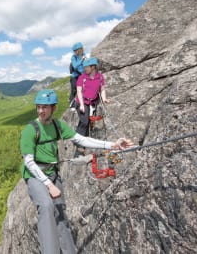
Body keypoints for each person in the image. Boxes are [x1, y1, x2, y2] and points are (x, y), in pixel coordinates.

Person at [20, 89, 133, 254]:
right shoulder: (30, 130)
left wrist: (112, 145)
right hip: (35, 175)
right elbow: (29, 161)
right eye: (38, 107)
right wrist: (49, 185)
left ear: (53, 108)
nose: (41, 111)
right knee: (46, 205)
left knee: (59, 211)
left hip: (51, 172)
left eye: (45, 107)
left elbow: (82, 140)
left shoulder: (57, 125)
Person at [75, 57, 109, 138]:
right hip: (81, 101)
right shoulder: (82, 77)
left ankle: (83, 138)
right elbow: (79, 91)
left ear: (93, 67)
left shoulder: (100, 77)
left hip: (91, 102)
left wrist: (104, 99)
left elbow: (102, 89)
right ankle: (79, 140)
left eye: (86, 67)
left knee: (86, 121)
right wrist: (82, 105)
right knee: (84, 121)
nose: (84, 69)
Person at [69, 42, 86, 110]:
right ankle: (72, 105)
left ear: (80, 49)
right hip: (74, 77)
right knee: (74, 90)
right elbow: (75, 66)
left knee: (82, 90)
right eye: (74, 50)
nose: (75, 52)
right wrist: (82, 60)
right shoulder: (73, 57)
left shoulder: (84, 55)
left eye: (76, 50)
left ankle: (81, 103)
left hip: (82, 76)